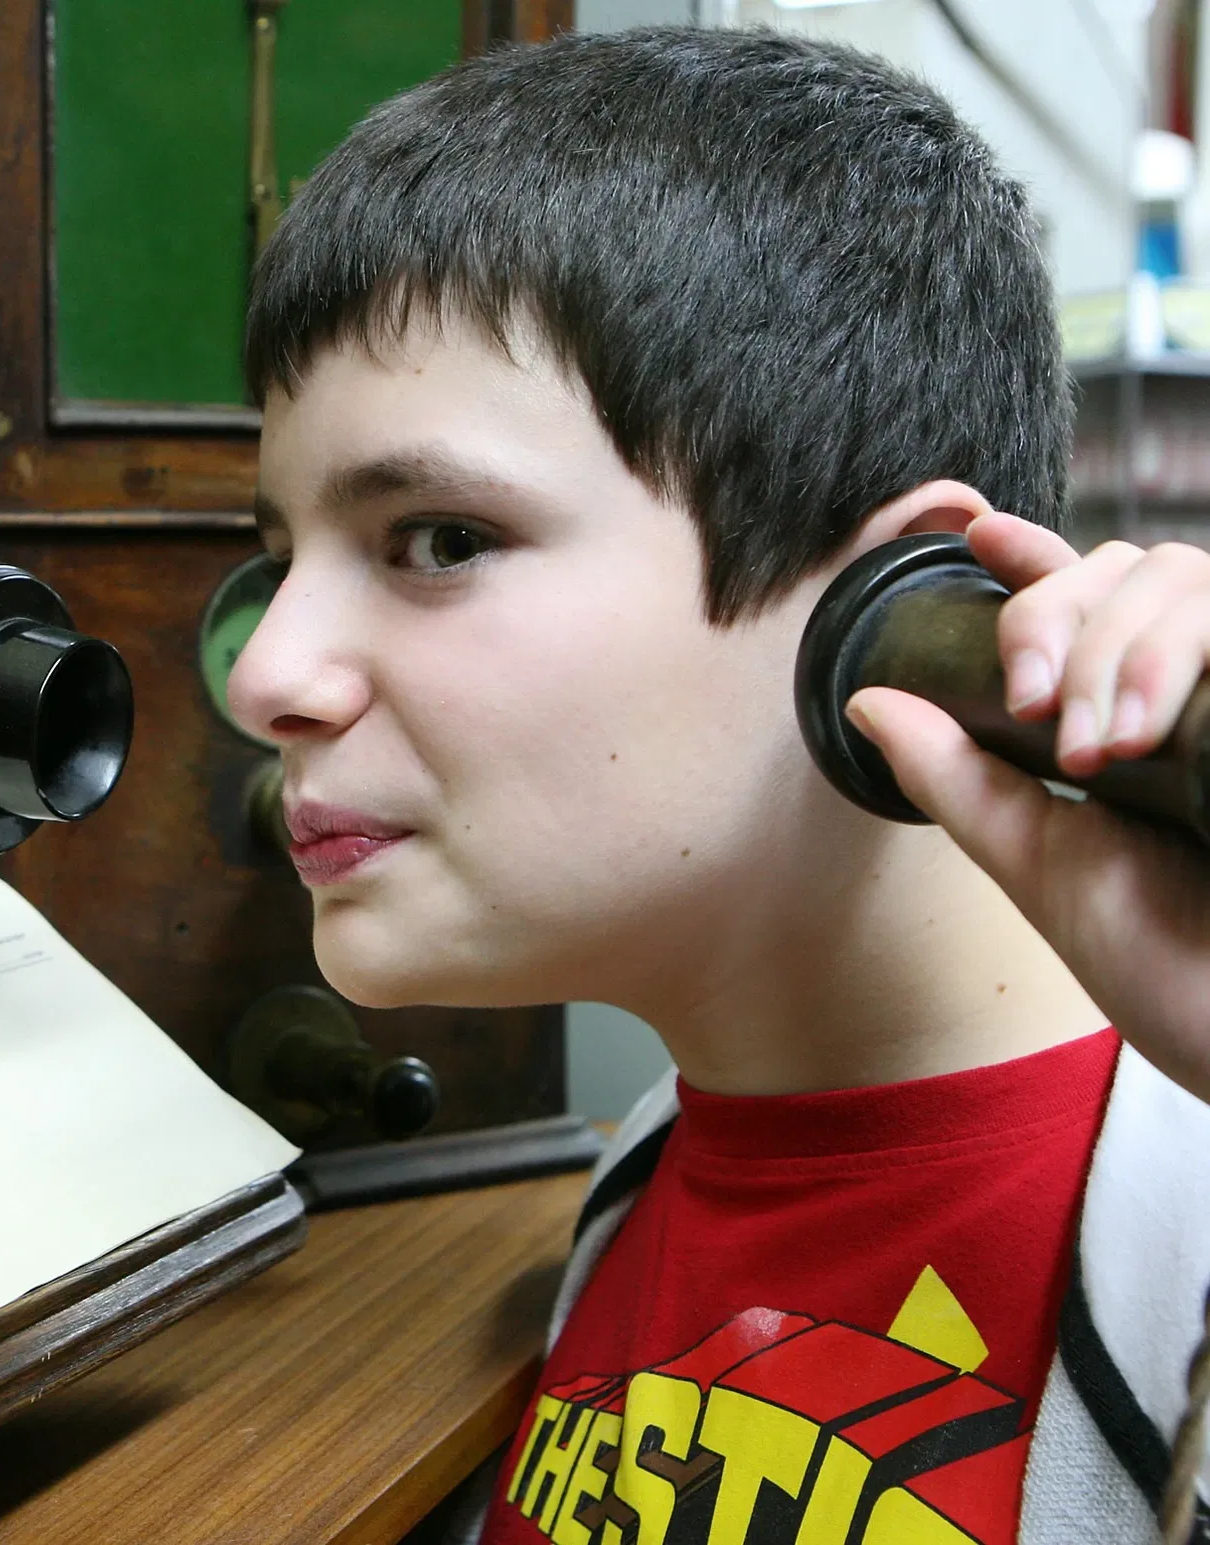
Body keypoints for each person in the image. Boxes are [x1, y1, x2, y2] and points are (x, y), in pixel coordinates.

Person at [227, 25, 1210, 1544]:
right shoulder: (644, 1191)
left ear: (888, 599)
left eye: (437, 538)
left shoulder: (1186, 1236)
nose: (266, 675)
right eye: (280, 560)